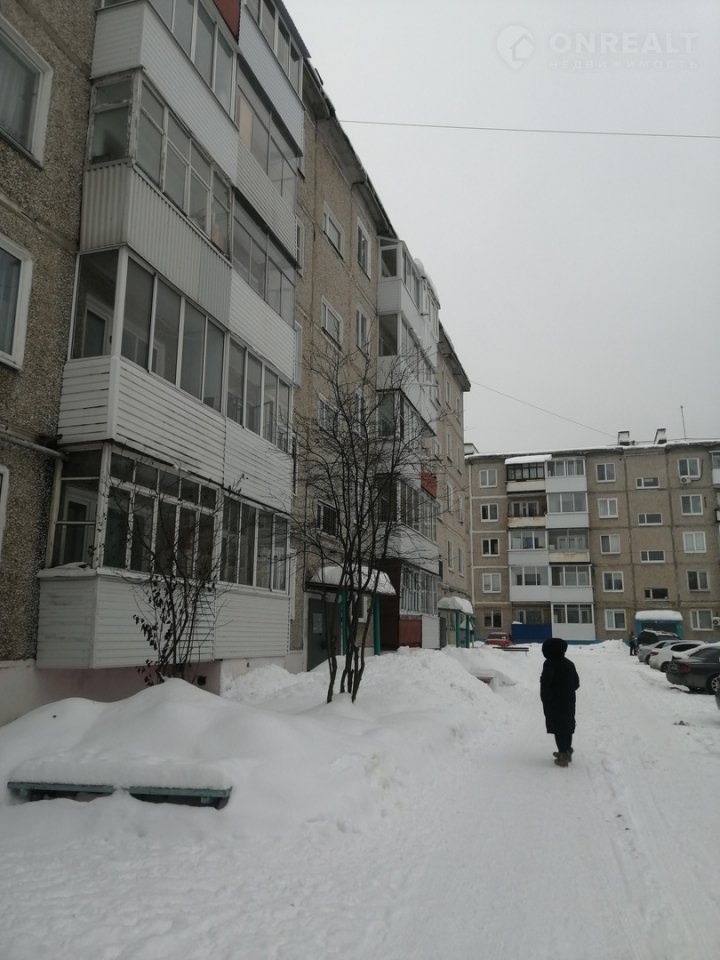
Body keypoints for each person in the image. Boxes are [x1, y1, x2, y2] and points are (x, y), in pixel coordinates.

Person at [540, 637, 580, 767]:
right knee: (567, 726)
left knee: (558, 728)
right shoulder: (570, 663)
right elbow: (576, 683)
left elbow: (546, 683)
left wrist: (545, 698)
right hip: (569, 701)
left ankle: (563, 756)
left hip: (554, 701)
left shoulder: (549, 664)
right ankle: (567, 750)